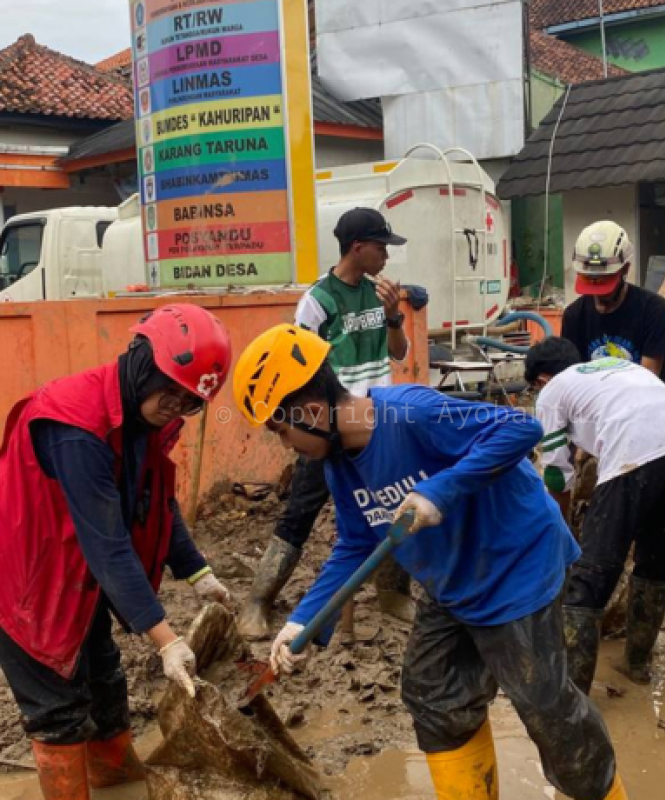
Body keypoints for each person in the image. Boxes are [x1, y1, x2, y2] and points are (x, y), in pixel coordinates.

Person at [232, 324, 629, 800]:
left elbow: (519, 428)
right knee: (432, 693)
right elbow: (356, 543)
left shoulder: (411, 414)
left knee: (547, 710)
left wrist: (438, 490)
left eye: (281, 430)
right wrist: (303, 621)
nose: (284, 444)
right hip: (452, 582)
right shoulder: (338, 465)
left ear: (311, 411)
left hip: (515, 567)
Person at [0, 304, 233, 800]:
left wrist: (198, 573)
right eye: (169, 391)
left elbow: (154, 502)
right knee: (58, 710)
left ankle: (117, 784)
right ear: (143, 362)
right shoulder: (75, 424)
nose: (175, 407)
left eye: (188, 401)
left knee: (106, 685)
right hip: (25, 578)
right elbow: (108, 544)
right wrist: (167, 641)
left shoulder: (140, 421)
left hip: (76, 575)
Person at [239, 207, 413, 641]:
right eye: (380, 248)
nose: (386, 257)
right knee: (302, 509)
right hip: (327, 424)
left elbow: (398, 353)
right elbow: (295, 365)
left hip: (376, 422)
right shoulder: (319, 300)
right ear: (358, 248)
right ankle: (259, 599)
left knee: (394, 504)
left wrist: (394, 317)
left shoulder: (380, 294)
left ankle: (392, 592)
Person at [525, 337, 665, 694]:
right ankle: (638, 665)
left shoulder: (551, 392)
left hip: (633, 453)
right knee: (655, 565)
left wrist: (561, 534)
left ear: (542, 380)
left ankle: (573, 691)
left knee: (592, 573)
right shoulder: (620, 368)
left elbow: (557, 475)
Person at [561, 220, 665, 635]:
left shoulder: (651, 310)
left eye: (604, 282)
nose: (599, 295)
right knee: (600, 508)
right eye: (589, 281)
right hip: (601, 420)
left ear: (625, 270)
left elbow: (648, 377)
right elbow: (575, 380)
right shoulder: (575, 316)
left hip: (655, 418)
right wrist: (582, 445)